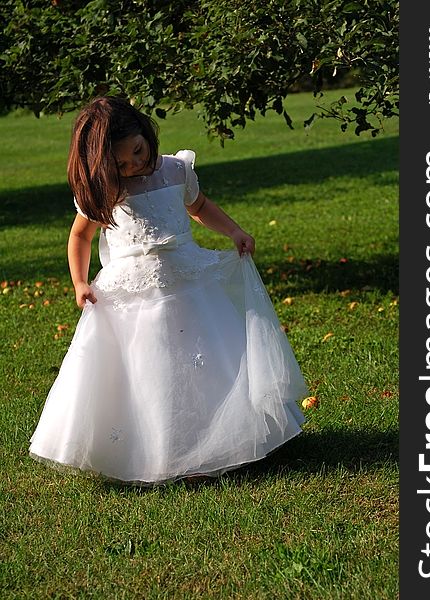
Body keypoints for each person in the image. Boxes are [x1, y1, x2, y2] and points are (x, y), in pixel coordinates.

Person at [29, 96, 308, 485]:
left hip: (188, 285)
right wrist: (79, 281)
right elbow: (80, 236)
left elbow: (200, 207)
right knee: (146, 371)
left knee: (204, 362)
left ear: (146, 133)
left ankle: (215, 443)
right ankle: (152, 452)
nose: (133, 165)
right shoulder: (105, 188)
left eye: (137, 152)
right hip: (132, 297)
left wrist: (234, 231)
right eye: (120, 163)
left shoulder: (176, 171)